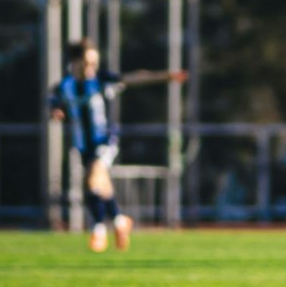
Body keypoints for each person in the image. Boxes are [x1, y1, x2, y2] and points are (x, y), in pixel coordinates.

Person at [47, 38, 186, 252]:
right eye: (86, 63)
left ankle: (99, 230)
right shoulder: (65, 85)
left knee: (92, 181)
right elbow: (54, 102)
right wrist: (55, 112)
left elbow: (134, 77)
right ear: (74, 62)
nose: (91, 67)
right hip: (83, 146)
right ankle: (120, 222)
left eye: (94, 63)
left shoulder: (101, 80)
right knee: (100, 186)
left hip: (105, 141)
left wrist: (166, 76)